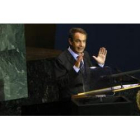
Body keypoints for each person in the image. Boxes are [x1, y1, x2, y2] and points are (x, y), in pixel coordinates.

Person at [54, 27, 107, 100]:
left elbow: (90, 76)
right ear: (70, 41)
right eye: (78, 41)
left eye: (84, 41)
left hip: (88, 99)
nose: (82, 45)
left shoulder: (85, 55)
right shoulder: (61, 59)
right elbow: (61, 84)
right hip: (71, 102)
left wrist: (100, 65)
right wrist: (75, 68)